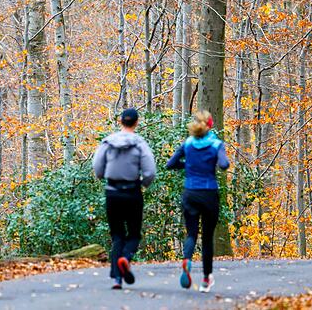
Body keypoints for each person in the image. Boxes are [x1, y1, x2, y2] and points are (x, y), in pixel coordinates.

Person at [92, 108, 157, 290]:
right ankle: (126, 259)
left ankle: (117, 279)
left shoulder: (108, 142)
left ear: (121, 122)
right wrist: (143, 184)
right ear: (136, 123)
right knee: (134, 234)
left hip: (112, 192)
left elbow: (97, 166)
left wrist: (103, 176)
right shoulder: (140, 144)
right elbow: (150, 171)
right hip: (132, 192)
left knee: (117, 235)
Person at [166, 110, 229, 293]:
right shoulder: (216, 144)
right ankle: (205, 280)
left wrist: (189, 165)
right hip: (209, 194)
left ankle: (187, 259)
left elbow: (170, 164)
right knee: (207, 238)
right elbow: (224, 165)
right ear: (210, 126)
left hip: (190, 192)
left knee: (191, 233)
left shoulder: (187, 144)